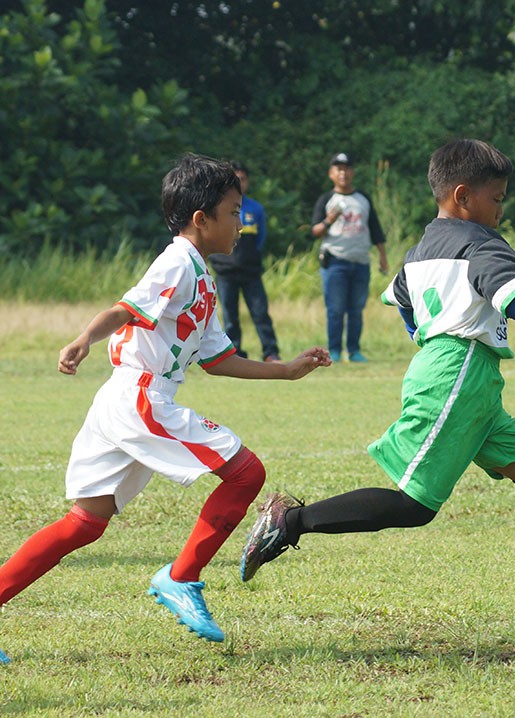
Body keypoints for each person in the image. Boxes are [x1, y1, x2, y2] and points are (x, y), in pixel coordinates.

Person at [241, 139, 515, 636]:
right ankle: (289, 522)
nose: (501, 208)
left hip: (464, 375)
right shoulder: (480, 244)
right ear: (463, 196)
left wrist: (426, 339)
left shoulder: (420, 249)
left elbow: (401, 299)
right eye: (498, 198)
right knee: (414, 505)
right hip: (460, 372)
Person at [0, 154, 331, 661]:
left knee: (85, 522)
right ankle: (181, 577)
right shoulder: (178, 262)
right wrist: (84, 338)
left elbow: (219, 360)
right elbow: (126, 307)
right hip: (140, 397)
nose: (240, 224)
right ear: (201, 219)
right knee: (246, 474)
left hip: (123, 400)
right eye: (233, 212)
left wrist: (286, 369)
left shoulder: (202, 275)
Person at [311, 152, 390, 363]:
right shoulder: (327, 200)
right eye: (338, 169)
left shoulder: (363, 198)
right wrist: (329, 220)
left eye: (346, 168)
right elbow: (315, 231)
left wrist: (383, 257)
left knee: (356, 309)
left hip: (361, 262)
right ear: (331, 174)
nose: (343, 173)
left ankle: (354, 351)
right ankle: (334, 351)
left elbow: (375, 229)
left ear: (352, 172)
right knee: (335, 309)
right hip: (335, 262)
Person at [207, 160, 282, 362]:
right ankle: (234, 353)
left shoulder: (255, 209)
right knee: (230, 317)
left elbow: (261, 238)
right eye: (235, 179)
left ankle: (270, 352)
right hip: (225, 271)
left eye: (242, 179)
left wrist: (250, 256)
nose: (239, 183)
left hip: (250, 271)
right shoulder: (218, 206)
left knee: (260, 313)